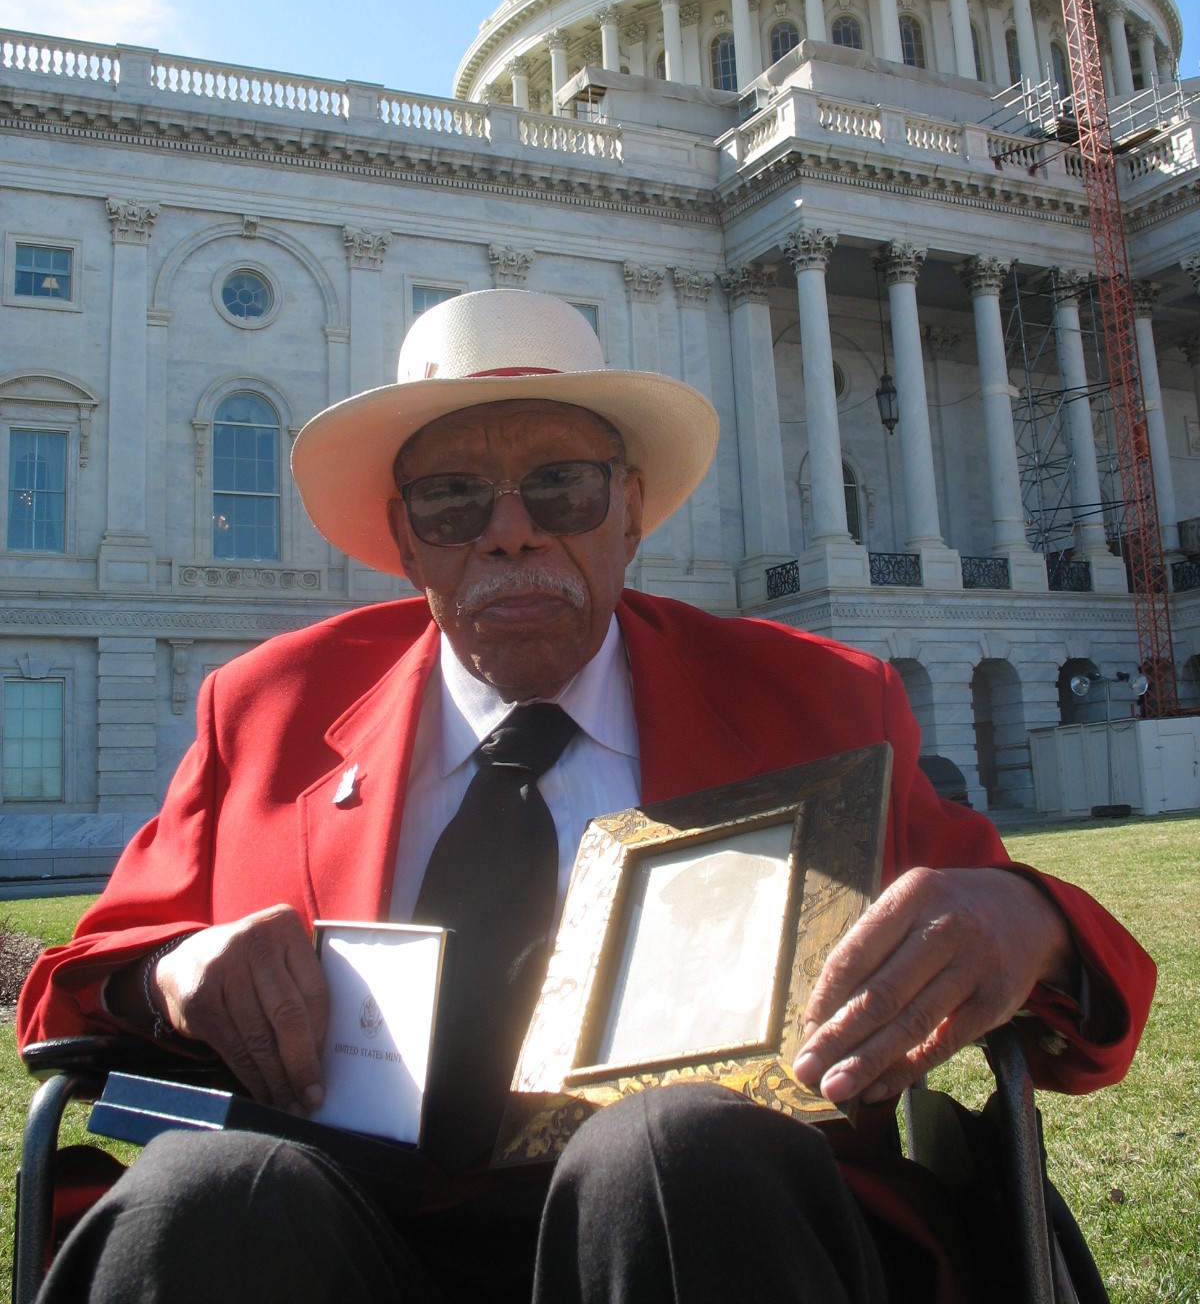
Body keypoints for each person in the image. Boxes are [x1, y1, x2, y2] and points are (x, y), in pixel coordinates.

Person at [19, 289, 1154, 1304]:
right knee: (208, 1195)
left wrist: (1029, 924)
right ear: (407, 542)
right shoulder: (265, 705)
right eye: (455, 502)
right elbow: (76, 991)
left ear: (633, 508)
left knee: (666, 1151)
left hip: (707, 1222)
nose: (512, 529)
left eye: (559, 485)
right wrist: (169, 975)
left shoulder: (818, 699)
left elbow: (1064, 1008)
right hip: (345, 1229)